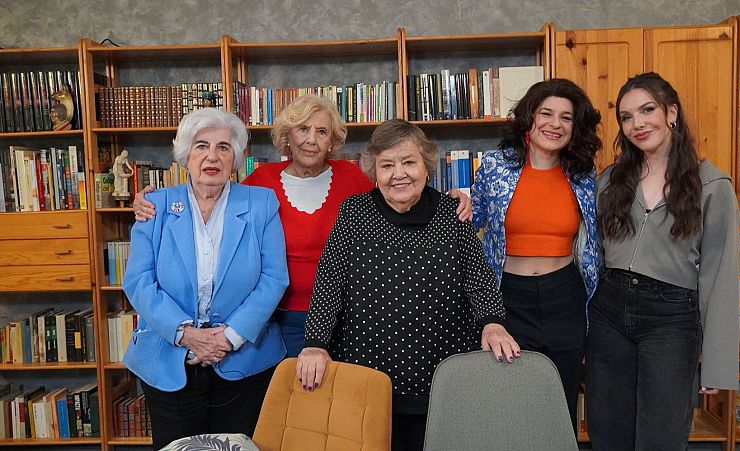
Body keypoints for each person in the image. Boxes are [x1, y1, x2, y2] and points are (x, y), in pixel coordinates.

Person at [133, 95, 471, 358]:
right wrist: (151, 201)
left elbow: (398, 196)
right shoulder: (259, 184)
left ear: (332, 141)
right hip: (275, 320)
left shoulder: (352, 177)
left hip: (348, 316)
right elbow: (214, 202)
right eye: (303, 129)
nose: (311, 139)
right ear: (287, 136)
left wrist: (448, 199)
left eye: (321, 131)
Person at [297, 119, 519, 451]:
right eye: (387, 165)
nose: (398, 174)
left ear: (426, 166)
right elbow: (330, 281)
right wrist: (316, 343)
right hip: (367, 369)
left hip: (441, 370)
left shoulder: (451, 213)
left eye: (408, 162)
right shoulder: (354, 213)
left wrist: (493, 323)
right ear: (375, 171)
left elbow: (479, 278)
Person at [586, 72, 739, 450]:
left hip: (671, 319)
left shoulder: (712, 185)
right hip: (609, 313)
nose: (637, 123)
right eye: (626, 116)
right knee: (607, 429)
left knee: (663, 434)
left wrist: (717, 361)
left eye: (647, 109)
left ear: (671, 112)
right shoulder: (608, 181)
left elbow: (720, 274)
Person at [122, 108, 289, 449]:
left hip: (245, 363)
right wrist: (186, 335)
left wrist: (227, 338)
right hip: (169, 360)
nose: (212, 156)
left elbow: (273, 279)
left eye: (224, 147)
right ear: (186, 155)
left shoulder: (260, 204)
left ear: (236, 158)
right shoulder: (155, 205)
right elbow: (139, 280)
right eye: (201, 146)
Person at [471, 78, 603, 429]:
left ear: (576, 127)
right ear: (529, 117)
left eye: (566, 117)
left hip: (566, 296)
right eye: (546, 113)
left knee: (560, 401)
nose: (554, 124)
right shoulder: (494, 165)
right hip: (507, 297)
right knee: (509, 401)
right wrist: (462, 199)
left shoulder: (585, 174)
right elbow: (473, 220)